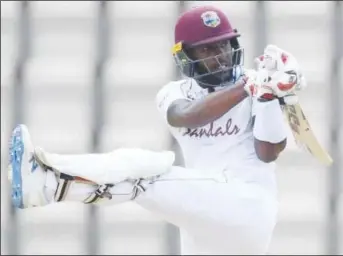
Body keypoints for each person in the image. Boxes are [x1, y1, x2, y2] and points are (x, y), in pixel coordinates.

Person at [8, 5, 306, 255]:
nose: (221, 55)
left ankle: (47, 184)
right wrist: (251, 87)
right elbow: (186, 116)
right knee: (141, 177)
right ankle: (46, 186)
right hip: (201, 218)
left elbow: (268, 152)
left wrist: (268, 95)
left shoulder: (259, 84)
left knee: (145, 171)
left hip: (247, 207)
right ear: (186, 56)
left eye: (224, 44)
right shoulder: (174, 93)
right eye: (208, 49)